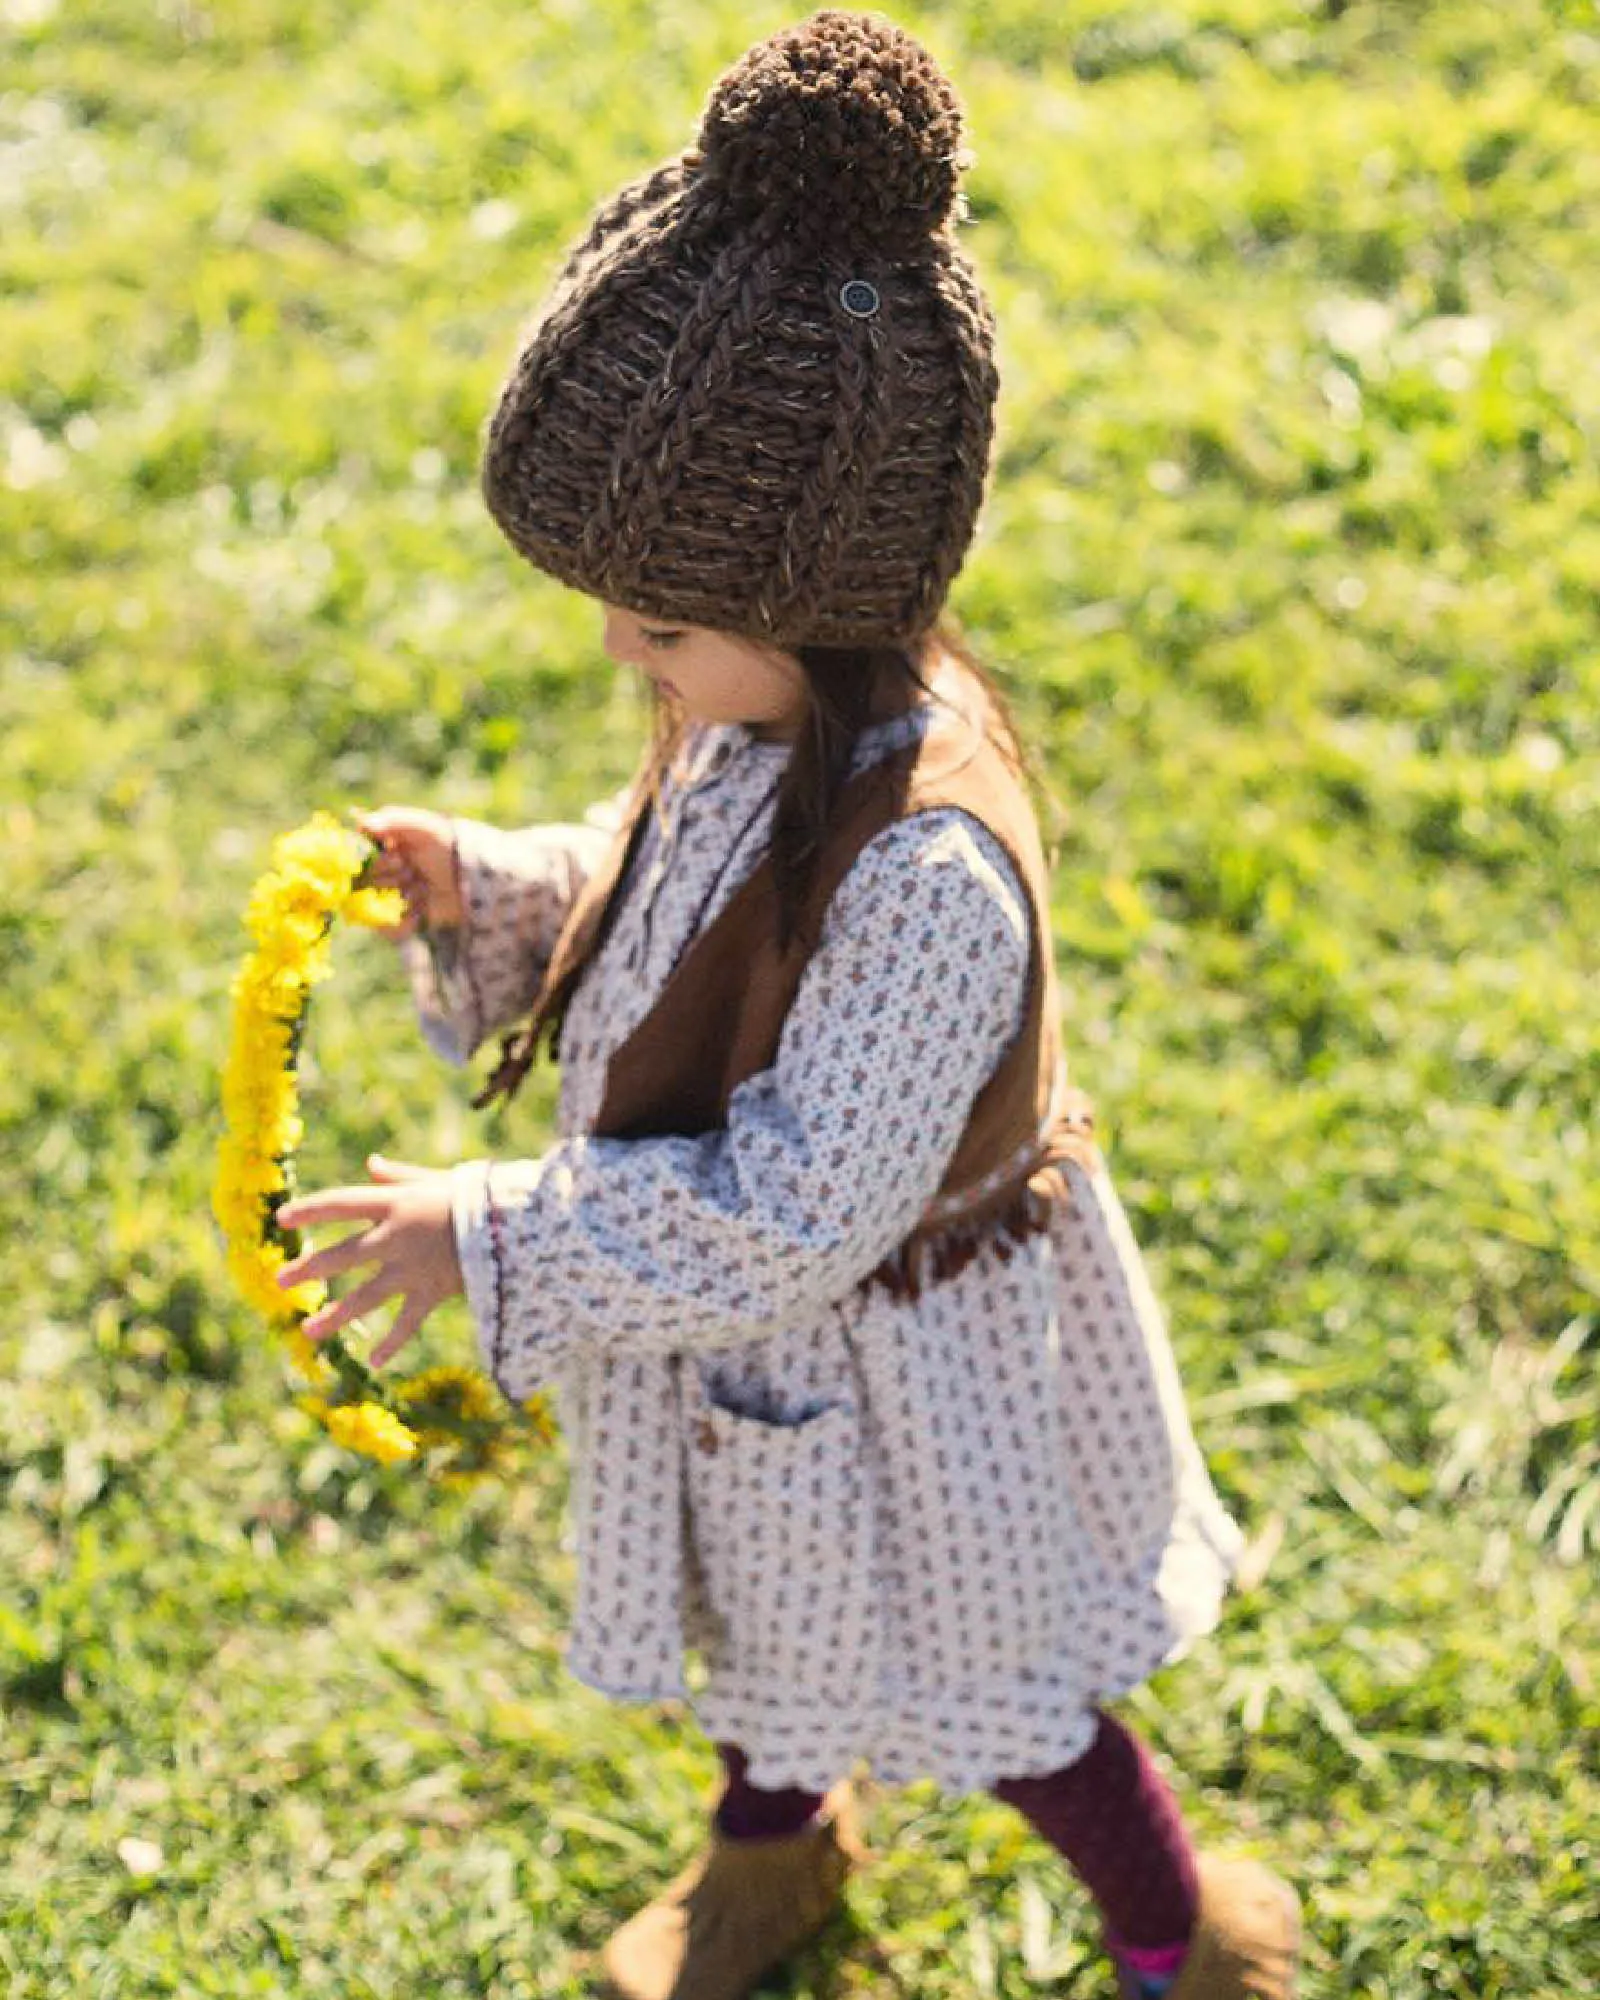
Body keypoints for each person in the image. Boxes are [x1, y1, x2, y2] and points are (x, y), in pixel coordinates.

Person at [274, 13, 1302, 1998]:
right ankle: (768, 1871)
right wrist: (493, 882)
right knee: (766, 1630)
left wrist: (485, 1234)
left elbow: (794, 1201)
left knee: (996, 1685)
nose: (618, 653)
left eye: (655, 625)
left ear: (824, 592)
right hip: (768, 1373)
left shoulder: (926, 869)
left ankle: (1177, 1928)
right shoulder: (758, 716)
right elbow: (677, 910)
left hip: (917, 1370)